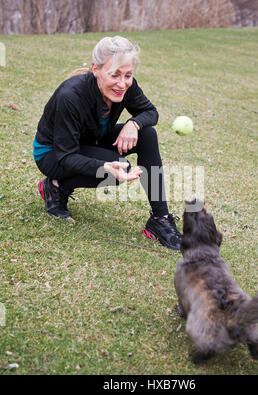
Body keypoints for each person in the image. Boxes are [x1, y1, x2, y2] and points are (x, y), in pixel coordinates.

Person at [33, 36, 181, 251]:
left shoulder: (125, 86)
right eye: (115, 75)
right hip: (54, 154)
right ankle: (55, 186)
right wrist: (103, 167)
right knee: (118, 169)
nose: (122, 84)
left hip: (91, 141)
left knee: (147, 134)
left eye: (128, 75)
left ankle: (160, 219)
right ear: (96, 69)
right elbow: (66, 155)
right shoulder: (70, 96)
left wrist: (134, 123)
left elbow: (151, 112)